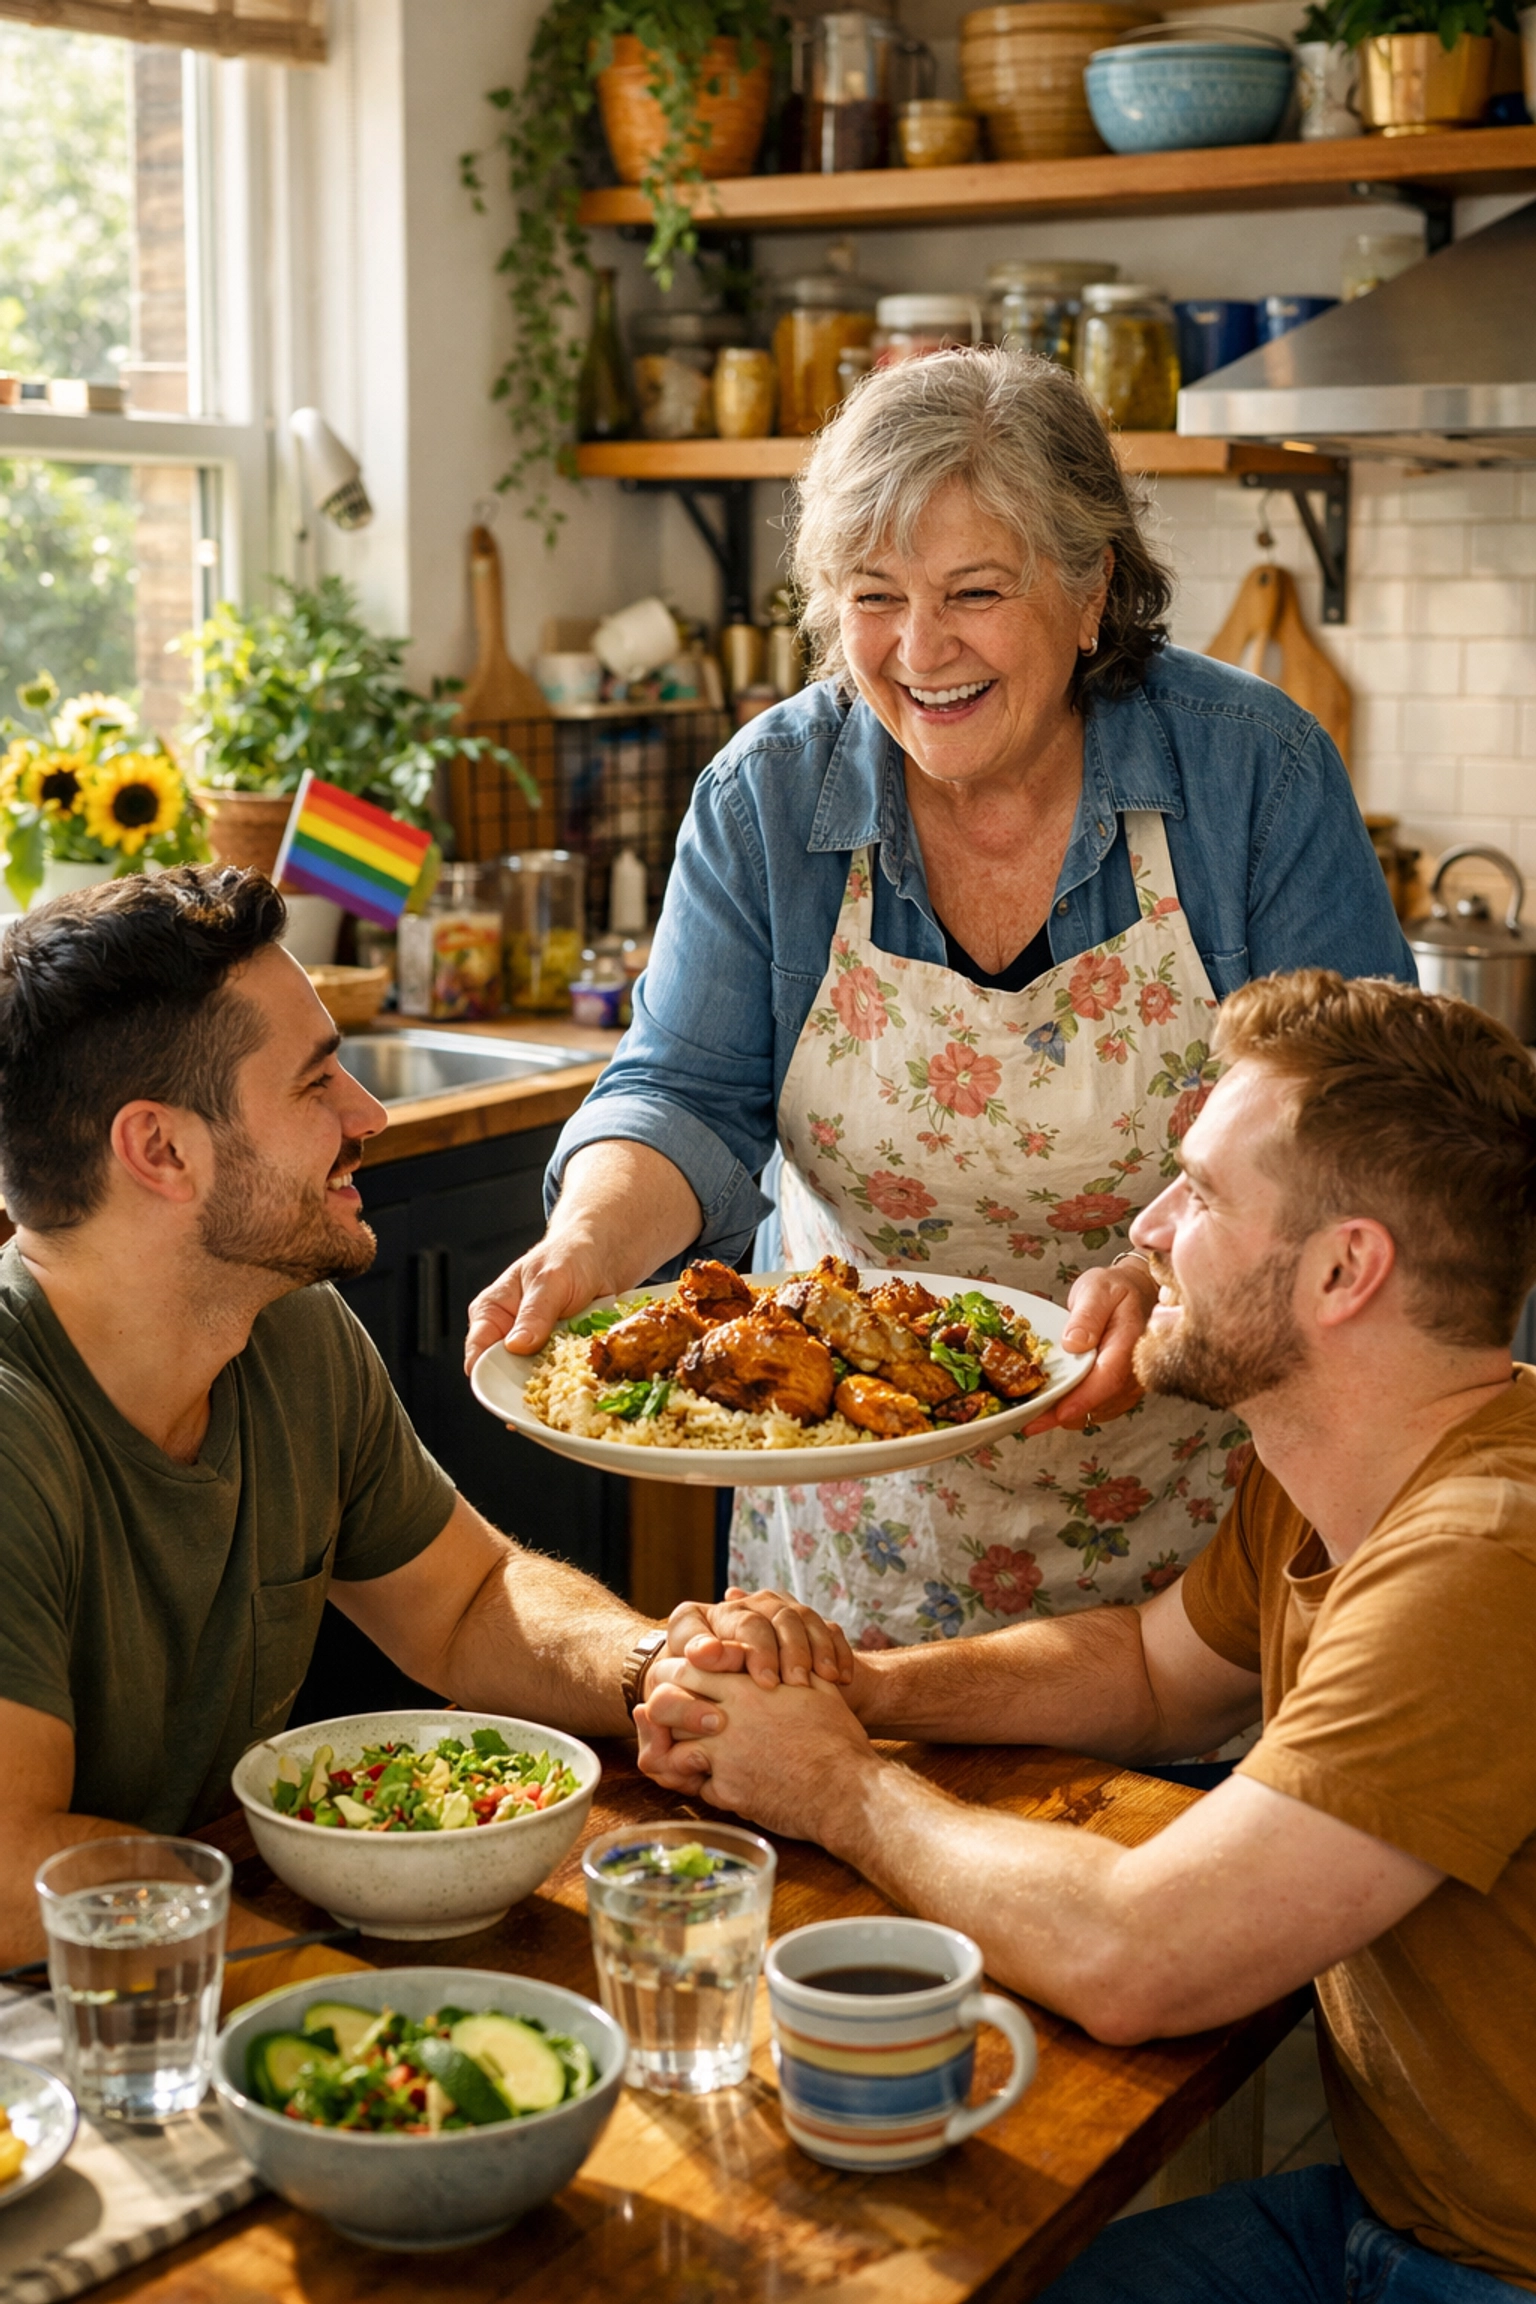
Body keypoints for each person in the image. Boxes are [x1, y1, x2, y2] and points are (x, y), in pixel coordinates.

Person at [466, 348, 1413, 1648]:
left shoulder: (1252, 776)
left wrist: (1174, 1276)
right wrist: (586, 1243)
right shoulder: (771, 799)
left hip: (1205, 1555)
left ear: (1091, 594)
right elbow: (681, 1091)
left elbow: (1360, 1130)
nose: (920, 650)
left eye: (976, 592)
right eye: (875, 597)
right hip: (854, 1546)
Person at [637, 970, 1536, 2299]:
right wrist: (855, 1683)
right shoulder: (1334, 1464)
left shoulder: (1481, 1556)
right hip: (1390, 2220)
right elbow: (1152, 1674)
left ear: (1347, 1269)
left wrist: (835, 1780)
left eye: (1201, 1193)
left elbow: (1139, 1955)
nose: (1148, 1227)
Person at [0, 868, 851, 1965]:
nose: (371, 1115)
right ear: (161, 1150)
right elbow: (13, 1871)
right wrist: (322, 1943)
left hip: (201, 1966)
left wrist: (653, 1666)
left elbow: (467, 1601)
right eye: (316, 1086)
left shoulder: (286, 1331)